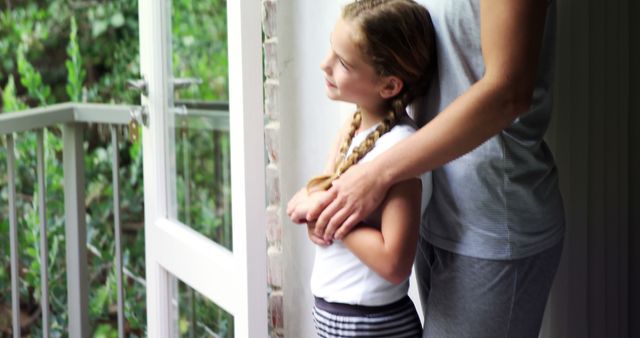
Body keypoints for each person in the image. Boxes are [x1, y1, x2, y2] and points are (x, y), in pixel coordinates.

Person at [288, 0, 565, 337]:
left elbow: (509, 93)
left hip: (491, 217)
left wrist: (374, 176)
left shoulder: (388, 161)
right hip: (433, 213)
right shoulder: (357, 130)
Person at [287, 0, 437, 336]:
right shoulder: (351, 130)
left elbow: (394, 262)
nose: (325, 65)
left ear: (389, 86)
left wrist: (326, 217)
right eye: (331, 50)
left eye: (342, 62)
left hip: (372, 325)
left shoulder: (400, 150)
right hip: (335, 318)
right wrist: (318, 214)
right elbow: (326, 198)